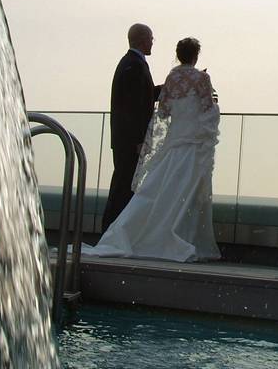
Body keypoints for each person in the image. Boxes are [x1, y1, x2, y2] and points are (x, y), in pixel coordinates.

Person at [87, 37, 221, 262]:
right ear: (196, 56)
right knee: (187, 192)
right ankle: (180, 236)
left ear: (179, 55)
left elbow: (165, 111)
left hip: (174, 141)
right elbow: (209, 109)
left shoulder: (171, 78)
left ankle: (135, 231)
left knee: (159, 188)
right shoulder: (202, 78)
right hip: (193, 143)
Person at [101, 23, 161, 232]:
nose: (153, 42)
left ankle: (114, 231)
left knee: (124, 185)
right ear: (142, 39)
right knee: (123, 187)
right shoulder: (133, 65)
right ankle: (111, 231)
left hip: (125, 139)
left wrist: (172, 87)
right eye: (151, 38)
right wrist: (137, 140)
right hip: (129, 141)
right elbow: (132, 106)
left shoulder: (132, 63)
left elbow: (144, 96)